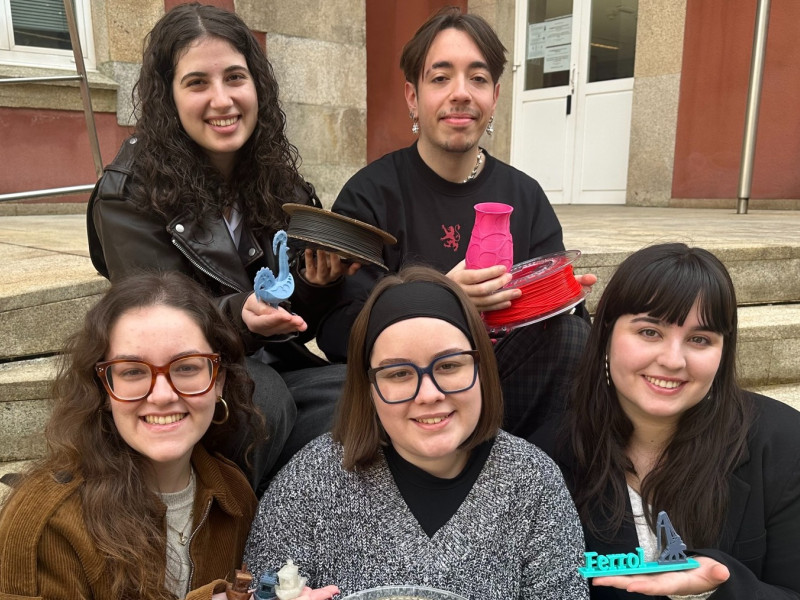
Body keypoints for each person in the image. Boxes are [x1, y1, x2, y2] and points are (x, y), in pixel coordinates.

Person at [86, 3, 356, 493]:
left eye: (235, 77)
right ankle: (220, 541)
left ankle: (300, 527)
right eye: (197, 83)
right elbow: (155, 321)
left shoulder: (278, 179)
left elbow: (298, 327)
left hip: (270, 368)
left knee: (360, 393)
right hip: (179, 378)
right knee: (262, 399)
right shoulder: (126, 193)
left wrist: (317, 283)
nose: (223, 100)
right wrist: (242, 317)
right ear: (168, 96)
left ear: (258, 86)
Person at [317, 6, 595, 445]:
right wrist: (441, 300)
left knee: (574, 337)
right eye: (441, 77)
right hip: (409, 390)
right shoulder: (371, 194)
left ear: (496, 96)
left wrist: (557, 295)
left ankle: (533, 489)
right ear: (413, 96)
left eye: (478, 78)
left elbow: (555, 318)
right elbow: (336, 332)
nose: (461, 93)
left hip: (504, 386)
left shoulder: (525, 196)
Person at [244, 266, 589, 600]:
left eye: (449, 365)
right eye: (398, 374)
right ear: (368, 387)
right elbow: (263, 590)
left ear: (481, 367)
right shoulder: (310, 483)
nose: (429, 394)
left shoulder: (533, 482)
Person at [552, 243, 800, 599]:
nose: (673, 360)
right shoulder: (552, 455)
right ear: (605, 333)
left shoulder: (783, 445)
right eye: (650, 332)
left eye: (699, 339)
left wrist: (713, 591)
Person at [0, 272, 262, 599]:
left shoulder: (234, 495)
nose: (163, 395)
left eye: (187, 367)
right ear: (104, 389)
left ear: (218, 381)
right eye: (134, 372)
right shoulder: (46, 523)